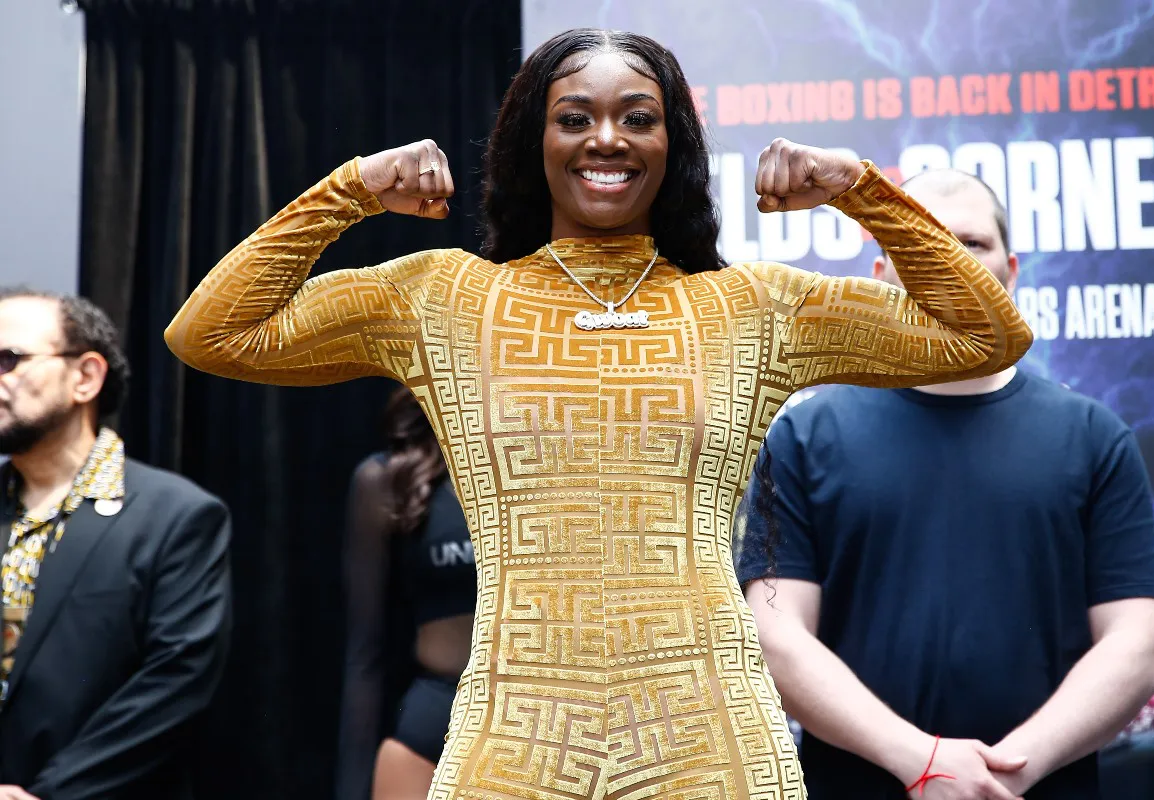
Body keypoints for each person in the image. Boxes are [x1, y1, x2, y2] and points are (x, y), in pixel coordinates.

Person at [164, 27, 1032, 800]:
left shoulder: (750, 307)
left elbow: (984, 336)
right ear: (531, 142)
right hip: (513, 735)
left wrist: (860, 188)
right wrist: (349, 190)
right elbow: (211, 334)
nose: (606, 138)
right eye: (574, 117)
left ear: (673, 142)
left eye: (638, 118)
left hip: (711, 737)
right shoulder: (446, 299)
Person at [737, 169, 1154, 800]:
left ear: (1012, 270)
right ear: (884, 275)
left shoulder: (1094, 436)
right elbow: (776, 637)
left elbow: (1140, 644)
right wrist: (919, 761)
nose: (949, 262)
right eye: (926, 241)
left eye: (970, 243)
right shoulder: (806, 436)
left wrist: (1005, 773)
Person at [0, 288, 233, 800]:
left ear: (85, 376)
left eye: (8, 360)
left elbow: (172, 685)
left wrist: (49, 794)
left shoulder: (176, 516)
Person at [337, 385, 474, 800]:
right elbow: (365, 656)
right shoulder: (392, 479)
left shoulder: (558, 477)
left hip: (545, 727)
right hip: (434, 724)